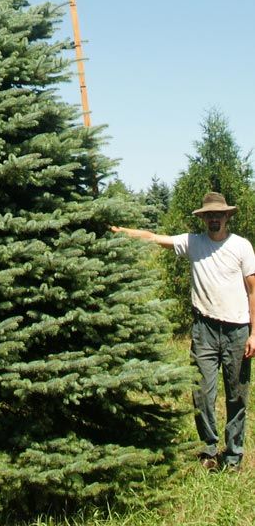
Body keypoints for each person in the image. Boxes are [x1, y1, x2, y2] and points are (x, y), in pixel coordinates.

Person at [112, 191, 255, 471]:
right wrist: (119, 231)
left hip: (238, 330)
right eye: (209, 215)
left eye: (219, 215)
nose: (214, 219)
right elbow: (153, 238)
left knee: (237, 395)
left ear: (227, 216)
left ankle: (235, 454)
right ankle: (209, 451)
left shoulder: (241, 247)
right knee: (202, 393)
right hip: (204, 329)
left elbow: (253, 290)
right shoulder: (193, 242)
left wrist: (254, 333)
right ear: (203, 219)